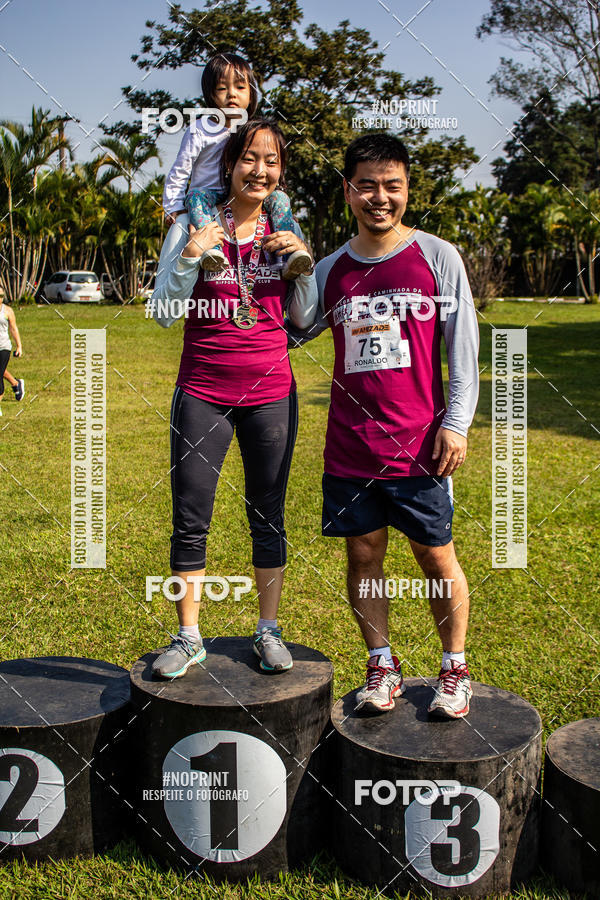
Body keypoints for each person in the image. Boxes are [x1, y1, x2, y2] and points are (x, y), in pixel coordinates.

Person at [289, 133, 479, 718]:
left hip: (422, 445)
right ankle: (382, 665)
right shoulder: (331, 268)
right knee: (364, 556)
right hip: (350, 447)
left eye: (391, 185)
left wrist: (458, 423)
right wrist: (287, 266)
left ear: (406, 190)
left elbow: (463, 347)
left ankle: (454, 669)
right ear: (348, 192)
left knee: (435, 557)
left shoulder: (437, 257)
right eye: (367, 185)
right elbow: (296, 330)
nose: (380, 197)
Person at [150, 119, 317, 679]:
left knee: (267, 515)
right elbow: (163, 310)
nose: (260, 170)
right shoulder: (196, 225)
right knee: (190, 518)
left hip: (271, 392)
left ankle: (267, 629)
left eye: (271, 161)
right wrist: (191, 255)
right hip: (202, 391)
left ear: (280, 172)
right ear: (229, 164)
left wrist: (304, 267)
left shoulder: (283, 231)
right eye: (250, 158)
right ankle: (189, 635)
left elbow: (304, 319)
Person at [159, 52, 312, 281]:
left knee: (281, 199)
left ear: (251, 95)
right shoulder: (200, 129)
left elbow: (269, 167)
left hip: (244, 193)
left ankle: (286, 258)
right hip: (208, 194)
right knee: (197, 199)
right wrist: (174, 208)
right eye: (222, 88)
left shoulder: (251, 131)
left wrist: (284, 214)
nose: (231, 94)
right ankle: (213, 253)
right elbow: (181, 170)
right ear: (211, 95)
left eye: (240, 87)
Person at [0, 300, 23, 416]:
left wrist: (19, 346)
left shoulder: (7, 310)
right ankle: (15, 383)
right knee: (1, 371)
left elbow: (13, 329)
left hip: (3, 347)